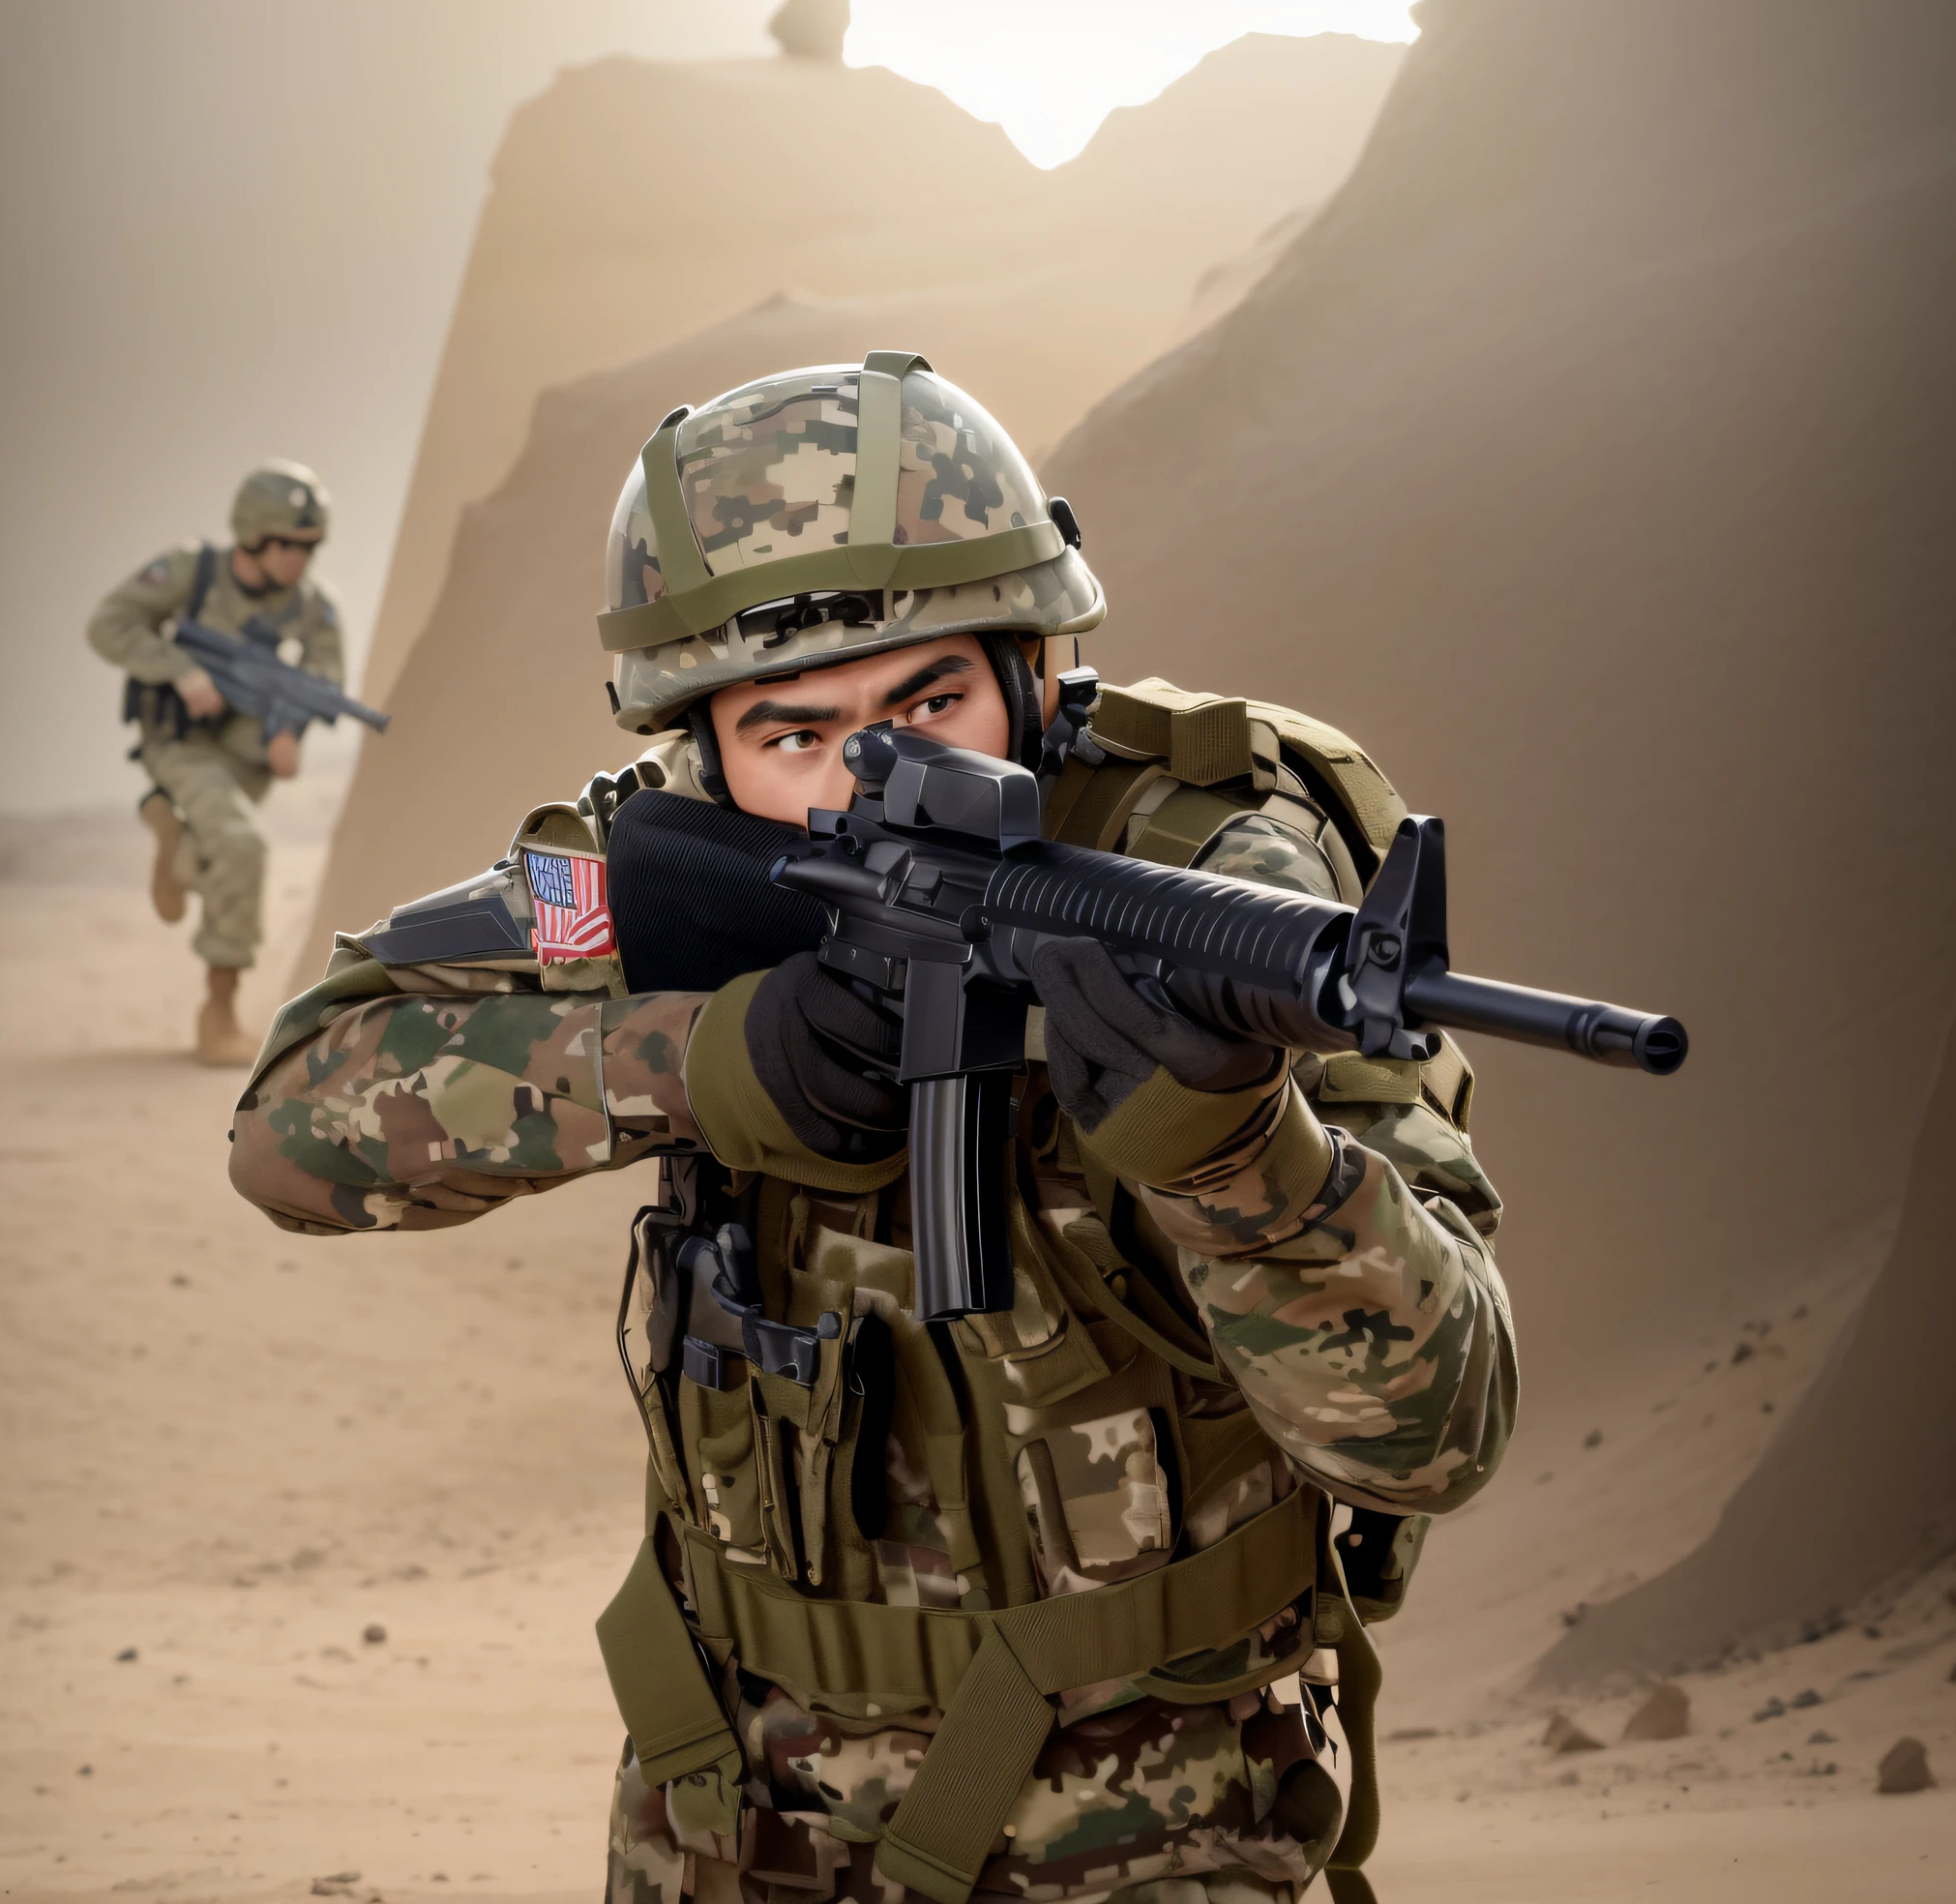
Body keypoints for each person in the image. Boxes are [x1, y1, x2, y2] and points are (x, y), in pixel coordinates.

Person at [228, 357, 1516, 1903]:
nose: (871, 781)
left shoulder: (1228, 864)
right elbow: (292, 1123)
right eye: (794, 735)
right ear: (697, 745)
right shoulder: (651, 873)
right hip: (733, 1822)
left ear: (1036, 667)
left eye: (930, 702)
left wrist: (1231, 1154)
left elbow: (1436, 1436)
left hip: (1155, 1835)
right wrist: (700, 1060)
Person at [88, 460, 343, 1064]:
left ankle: (176, 850)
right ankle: (219, 1011)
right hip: (180, 741)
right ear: (254, 534)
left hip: (245, 755)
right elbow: (109, 624)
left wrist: (290, 728)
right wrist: (181, 671)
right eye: (288, 545)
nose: (300, 560)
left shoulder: (309, 604)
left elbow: (324, 673)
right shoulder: (189, 570)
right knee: (243, 847)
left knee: (223, 849)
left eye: (311, 547)